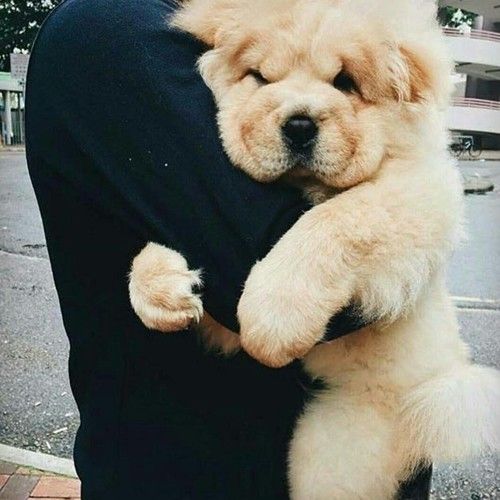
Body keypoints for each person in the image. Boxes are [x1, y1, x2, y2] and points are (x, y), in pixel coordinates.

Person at [26, 0, 431, 498]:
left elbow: (423, 188)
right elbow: (253, 270)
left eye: (342, 82)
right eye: (262, 76)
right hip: (191, 472)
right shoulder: (111, 32)